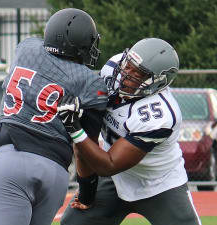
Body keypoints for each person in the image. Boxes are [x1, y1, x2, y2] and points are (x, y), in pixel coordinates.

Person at [0, 8, 108, 225]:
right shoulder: (93, 84)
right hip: (55, 172)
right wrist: (87, 192)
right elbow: (84, 148)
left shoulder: (26, 49)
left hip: (11, 159)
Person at [57, 38, 202, 225]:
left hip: (159, 183)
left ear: (158, 82)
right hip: (115, 179)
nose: (127, 74)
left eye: (139, 73)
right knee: (73, 223)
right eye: (128, 65)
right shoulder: (113, 68)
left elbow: (109, 165)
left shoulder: (160, 115)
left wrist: (74, 128)